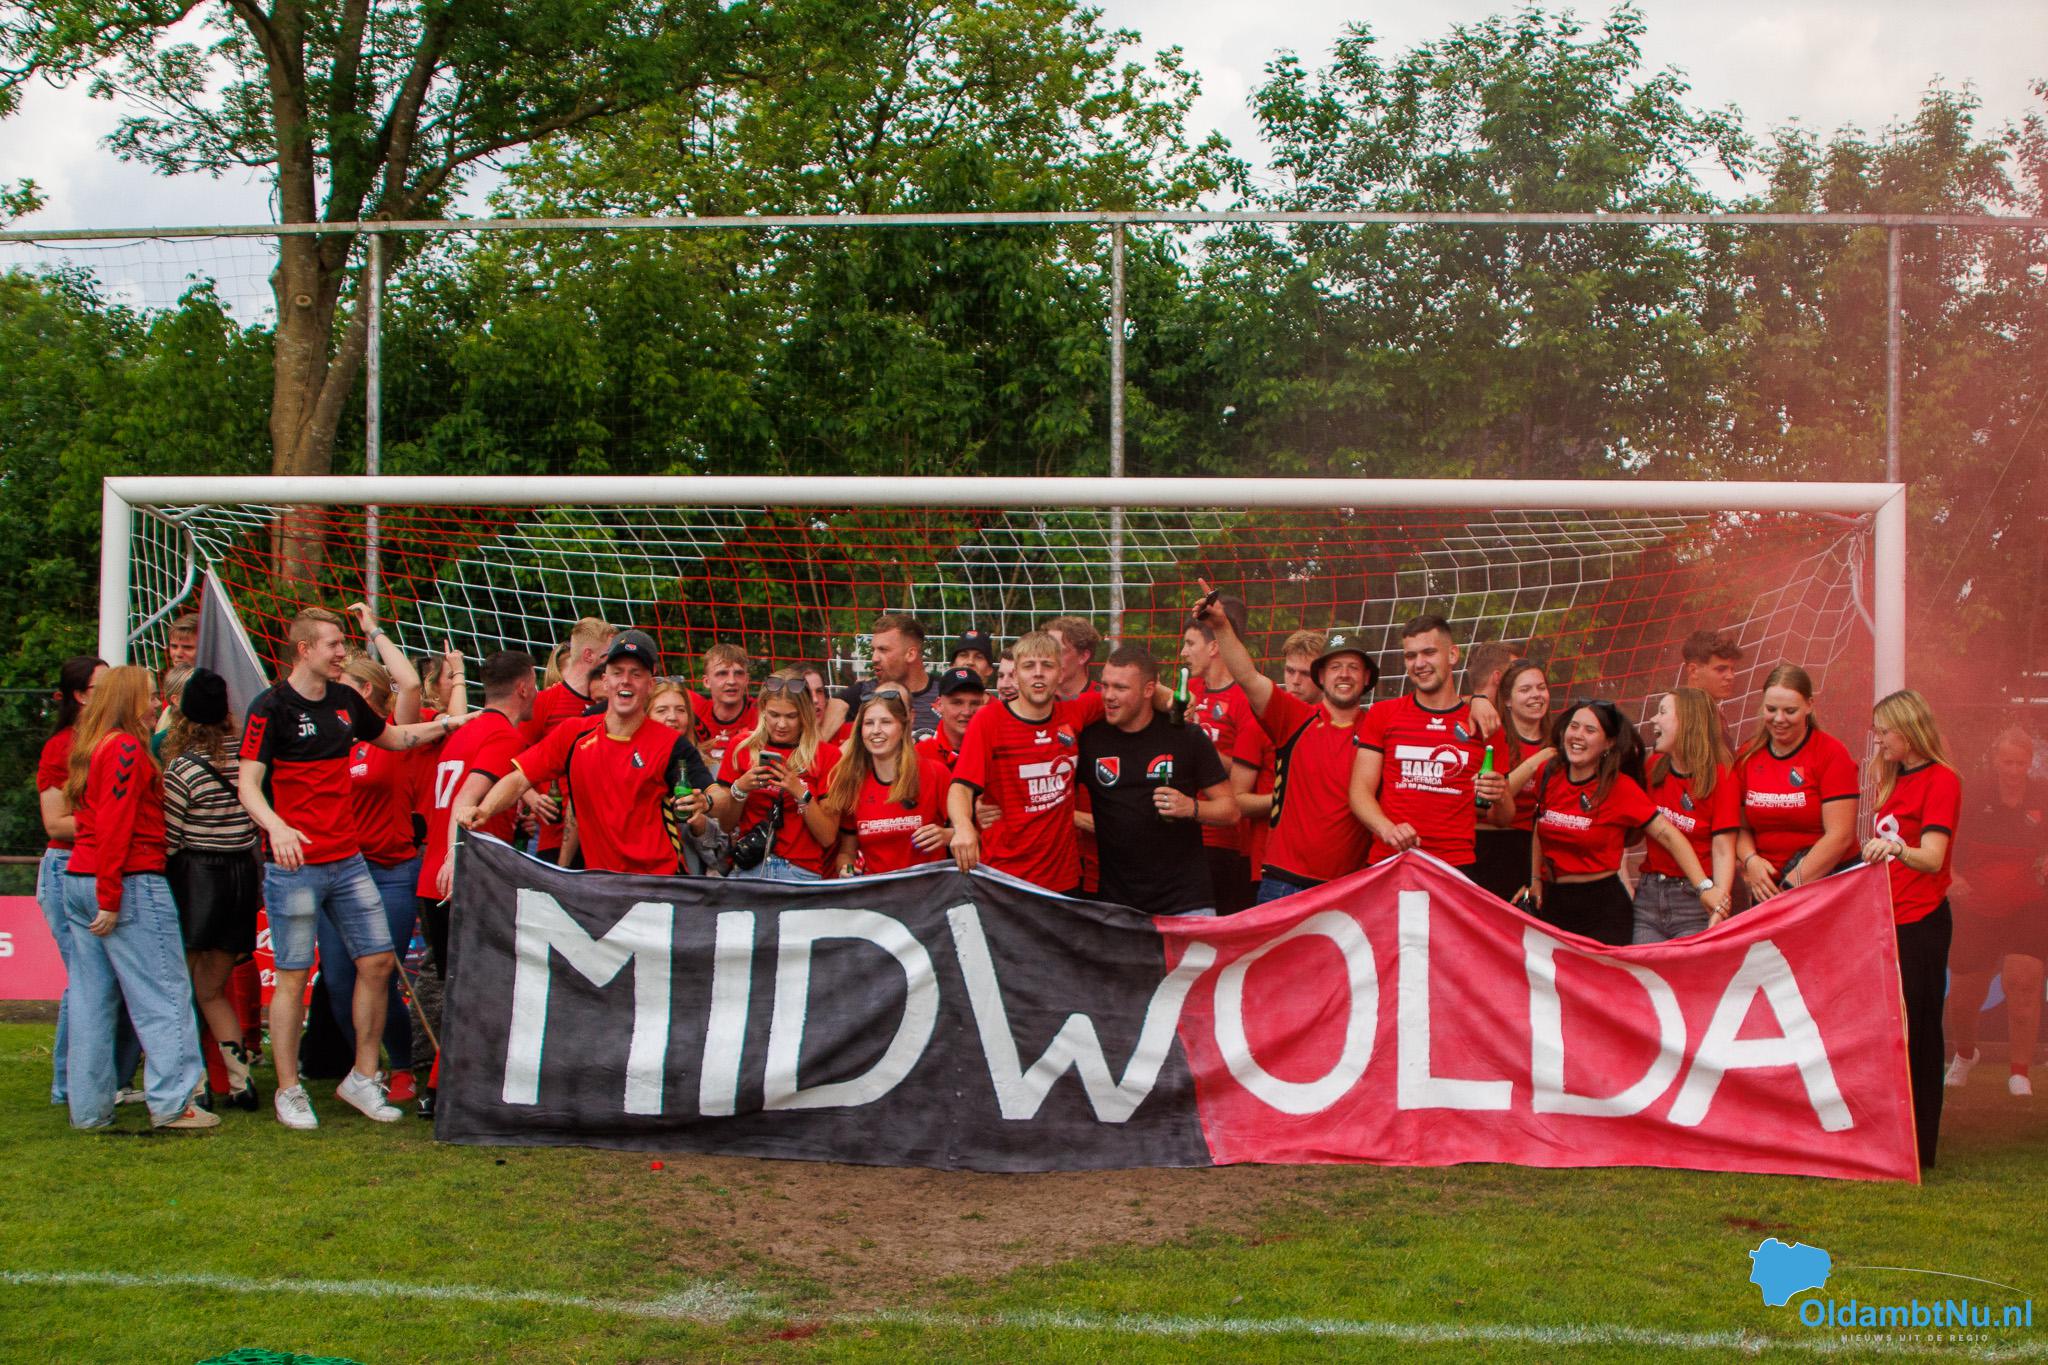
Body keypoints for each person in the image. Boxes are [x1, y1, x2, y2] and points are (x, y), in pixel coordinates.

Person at [238, 606, 471, 1130]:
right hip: (296, 865)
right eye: (333, 644)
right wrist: (276, 827)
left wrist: (449, 724)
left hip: (348, 861)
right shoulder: (270, 707)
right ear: (304, 650)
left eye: (344, 643)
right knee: (293, 975)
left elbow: (396, 737)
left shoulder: (345, 702)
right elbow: (248, 784)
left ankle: (364, 1077)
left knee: (379, 964)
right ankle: (289, 1089)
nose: (342, 653)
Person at [61, 666, 214, 1130]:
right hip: (126, 881)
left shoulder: (93, 745)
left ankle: (89, 1110)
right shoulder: (125, 748)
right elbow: (116, 823)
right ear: (128, 700)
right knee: (163, 994)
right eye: (149, 696)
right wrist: (110, 896)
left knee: (91, 1000)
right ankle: (174, 1104)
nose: (156, 704)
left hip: (84, 877)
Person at [327, 607, 460, 1108]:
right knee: (338, 980)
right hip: (339, 871)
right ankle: (367, 1069)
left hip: (392, 871)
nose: (337, 692)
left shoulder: (393, 730)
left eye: (347, 685)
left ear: (368, 691)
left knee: (380, 973)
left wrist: (374, 632)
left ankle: (401, 1065)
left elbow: (406, 682)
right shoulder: (330, 735)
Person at [470, 631, 714, 876]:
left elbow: (717, 796)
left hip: (659, 883)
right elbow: (519, 779)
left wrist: (708, 801)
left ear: (650, 685)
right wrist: (484, 810)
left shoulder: (671, 744)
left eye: (636, 674)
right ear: (605, 680)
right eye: (617, 672)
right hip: (599, 885)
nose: (625, 681)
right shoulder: (573, 733)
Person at [1189, 591, 1373, 902]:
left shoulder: (1380, 726)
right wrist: (1220, 626)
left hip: (1348, 886)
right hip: (1283, 882)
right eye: (1335, 667)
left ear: (1367, 677)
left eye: (1353, 667)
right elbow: (1248, 677)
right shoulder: (1293, 717)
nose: (1344, 674)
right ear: (1323, 675)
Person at [1860, 689, 1962, 1168]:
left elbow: (1934, 858)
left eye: (1884, 731)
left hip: (1921, 921)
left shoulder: (1942, 779)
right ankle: (1888, 1133)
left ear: (1908, 730)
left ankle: (1921, 1145)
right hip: (1887, 918)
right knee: (1886, 1030)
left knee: (1919, 1029)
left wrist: (1897, 848)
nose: (1879, 741)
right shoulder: (1892, 779)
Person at [1525, 699, 1722, 946]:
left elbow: (1669, 835)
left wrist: (1704, 887)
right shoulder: (1548, 772)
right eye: (1574, 726)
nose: (1578, 735)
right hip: (1553, 903)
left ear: (1608, 743)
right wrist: (1535, 880)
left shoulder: (1620, 788)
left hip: (1602, 911)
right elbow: (1540, 826)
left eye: (1590, 730)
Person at [34, 654, 139, 1110]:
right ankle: (71, 1085)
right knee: (88, 983)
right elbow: (55, 823)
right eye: (102, 686)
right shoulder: (62, 747)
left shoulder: (117, 740)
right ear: (80, 696)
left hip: (104, 864)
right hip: (70, 867)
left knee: (109, 983)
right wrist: (113, 818)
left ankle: (107, 1081)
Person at [161, 668, 262, 1111]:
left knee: (181, 988)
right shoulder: (248, 758)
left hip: (197, 879)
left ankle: (196, 1084)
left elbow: (171, 837)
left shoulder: (181, 768)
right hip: (242, 878)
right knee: (213, 989)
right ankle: (241, 1081)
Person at [947, 631, 1111, 894]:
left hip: (1064, 880)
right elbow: (960, 787)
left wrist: (1173, 700)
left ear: (1060, 673)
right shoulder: (988, 720)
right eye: (1028, 666)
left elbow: (1130, 691)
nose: (1038, 673)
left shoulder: (1075, 713)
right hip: (1005, 879)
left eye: (1047, 665)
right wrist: (963, 826)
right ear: (1015, 674)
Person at [1349, 614, 1512, 877]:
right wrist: (1387, 829)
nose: (1419, 663)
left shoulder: (1484, 721)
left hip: (1453, 868)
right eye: (1410, 656)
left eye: (1429, 652)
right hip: (1390, 862)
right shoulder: (1383, 714)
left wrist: (1499, 795)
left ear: (1452, 655)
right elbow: (1359, 792)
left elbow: (1503, 818)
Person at [1079, 646, 1236, 916]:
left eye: (1120, 687)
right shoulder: (1091, 738)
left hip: (1186, 902)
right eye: (1105, 685)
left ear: (1149, 689)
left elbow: (1230, 810)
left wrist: (1191, 807)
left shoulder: (1186, 736)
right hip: (1118, 905)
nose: (1109, 695)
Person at [1945, 727, 2046, 1098]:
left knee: (2023, 981)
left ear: (2030, 762)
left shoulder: (2042, 794)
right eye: (2007, 762)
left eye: (2020, 763)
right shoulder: (1973, 793)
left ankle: (2019, 1073)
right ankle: (1964, 1055)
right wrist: (1951, 876)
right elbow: (1944, 838)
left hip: (2028, 904)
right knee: (1964, 997)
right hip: (1975, 905)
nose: (2014, 770)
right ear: (1995, 761)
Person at [1735, 664, 1859, 904]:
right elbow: (1739, 827)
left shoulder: (1832, 754)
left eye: (1790, 711)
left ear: (1809, 705)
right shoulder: (1747, 755)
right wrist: (1750, 860)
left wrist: (1791, 885)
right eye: (1771, 709)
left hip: (1825, 885)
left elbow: (1840, 835)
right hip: (1769, 889)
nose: (1779, 719)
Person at [710, 669, 841, 881]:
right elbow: (726, 825)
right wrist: (740, 789)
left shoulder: (827, 755)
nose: (781, 724)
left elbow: (827, 837)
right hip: (751, 867)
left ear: (805, 715)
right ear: (763, 710)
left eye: (791, 716)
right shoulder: (741, 747)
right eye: (774, 715)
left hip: (799, 872)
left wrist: (800, 793)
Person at [1634, 688, 1740, 943]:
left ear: (1688, 721)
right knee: (1643, 967)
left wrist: (1718, 903)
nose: (1653, 719)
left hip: (1695, 900)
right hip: (1649, 897)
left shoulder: (1721, 776)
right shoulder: (1653, 767)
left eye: (1662, 712)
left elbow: (1723, 849)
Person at [810, 690, 954, 876]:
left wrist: (947, 836)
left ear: (903, 727)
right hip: (875, 891)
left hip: (930, 890)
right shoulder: (852, 782)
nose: (876, 730)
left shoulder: (935, 774)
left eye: (886, 722)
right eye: (869, 723)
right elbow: (846, 854)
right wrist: (849, 870)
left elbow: (970, 835)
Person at [1179, 595, 1262, 913]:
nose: (1183, 652)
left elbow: (1244, 775)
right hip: (1183, 831)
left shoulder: (1246, 699)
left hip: (1224, 842)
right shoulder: (1189, 692)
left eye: (1190, 643)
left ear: (1214, 647)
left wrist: (1199, 743)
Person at [523, 617, 615, 865]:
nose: (614, 662)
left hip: (608, 837)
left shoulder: (617, 702)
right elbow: (512, 758)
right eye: (608, 655)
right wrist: (531, 798)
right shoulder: (547, 701)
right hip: (556, 835)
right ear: (588, 655)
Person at [1475, 658, 1552, 901]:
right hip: (1486, 845)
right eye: (1525, 689)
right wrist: (1535, 762)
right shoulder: (1491, 737)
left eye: (1541, 688)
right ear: (1507, 700)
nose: (1536, 695)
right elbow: (1491, 796)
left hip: (1531, 850)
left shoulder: (1558, 741)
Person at [824, 614, 941, 741]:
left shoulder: (946, 693)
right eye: (873, 650)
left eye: (883, 650)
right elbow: (816, 745)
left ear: (911, 654)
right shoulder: (862, 694)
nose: (874, 658)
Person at [692, 643, 758, 772]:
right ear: (706, 682)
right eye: (722, 673)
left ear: (746, 680)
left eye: (738, 673)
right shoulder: (693, 711)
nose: (732, 681)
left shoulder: (761, 714)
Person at [1041, 615, 1102, 702]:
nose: (1048, 659)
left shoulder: (1104, 700)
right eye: (1046, 650)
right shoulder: (1034, 699)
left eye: (1058, 652)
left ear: (1083, 657)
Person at [1679, 629, 1745, 703]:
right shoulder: (1673, 708)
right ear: (1693, 671)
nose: (1730, 676)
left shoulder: (1705, 707)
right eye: (1720, 669)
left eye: (1732, 669)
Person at [1280, 628, 1326, 705]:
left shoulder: (1340, 711)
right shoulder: (1271, 709)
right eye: (1290, 671)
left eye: (1306, 674)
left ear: (1324, 676)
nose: (1295, 681)